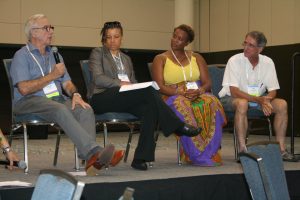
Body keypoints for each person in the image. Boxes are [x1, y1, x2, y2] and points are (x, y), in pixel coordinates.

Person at [10, 14, 125, 176]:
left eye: (51, 28)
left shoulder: (55, 55)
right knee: (59, 109)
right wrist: (51, 76)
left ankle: (90, 160)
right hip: (28, 101)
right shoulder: (21, 56)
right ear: (34, 33)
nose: (51, 31)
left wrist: (76, 94)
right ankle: (94, 152)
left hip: (55, 100)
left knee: (84, 109)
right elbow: (23, 89)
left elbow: (67, 83)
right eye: (46, 28)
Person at [88, 21, 202, 171]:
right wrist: (120, 83)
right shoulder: (97, 53)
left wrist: (133, 86)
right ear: (104, 38)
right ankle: (178, 126)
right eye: (108, 37)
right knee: (149, 91)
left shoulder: (126, 59)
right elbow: (98, 78)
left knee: (150, 108)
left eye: (116, 36)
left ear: (121, 37)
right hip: (102, 97)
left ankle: (140, 158)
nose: (112, 40)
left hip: (123, 98)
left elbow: (133, 82)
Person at [152, 24, 226, 166]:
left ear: (187, 43)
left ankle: (211, 152)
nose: (175, 40)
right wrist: (179, 91)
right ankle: (193, 153)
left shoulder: (196, 57)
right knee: (183, 106)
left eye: (180, 39)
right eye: (174, 36)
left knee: (212, 102)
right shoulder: (160, 58)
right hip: (172, 95)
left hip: (196, 92)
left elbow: (207, 83)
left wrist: (199, 91)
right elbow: (159, 86)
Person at [218, 30, 297, 162]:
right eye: (245, 43)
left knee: (282, 104)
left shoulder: (268, 62)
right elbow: (234, 91)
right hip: (232, 99)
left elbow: (273, 90)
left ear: (260, 49)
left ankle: (281, 150)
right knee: (242, 103)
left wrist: (266, 100)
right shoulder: (234, 60)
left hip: (259, 99)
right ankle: (243, 150)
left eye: (251, 45)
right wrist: (259, 100)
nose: (246, 47)